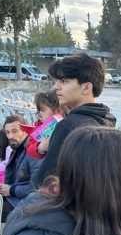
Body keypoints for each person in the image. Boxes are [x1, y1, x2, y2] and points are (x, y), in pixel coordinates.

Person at [31, 53, 116, 189]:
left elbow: (46, 183)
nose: (56, 87)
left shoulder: (68, 126)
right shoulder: (107, 119)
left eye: (64, 81)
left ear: (87, 87)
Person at [0, 115, 42, 219]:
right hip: (14, 199)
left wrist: (11, 190)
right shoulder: (16, 148)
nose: (10, 136)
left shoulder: (33, 152)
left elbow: (37, 187)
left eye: (14, 131)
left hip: (26, 205)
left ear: (25, 130)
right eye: (7, 132)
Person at [25, 89, 70, 160]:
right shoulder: (39, 127)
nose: (39, 114)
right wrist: (40, 148)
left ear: (57, 110)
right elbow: (29, 148)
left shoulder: (68, 123)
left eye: (42, 110)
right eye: (38, 111)